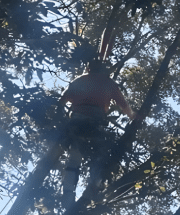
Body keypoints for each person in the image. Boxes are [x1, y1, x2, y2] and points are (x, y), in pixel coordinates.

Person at [58, 61, 138, 204]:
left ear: (88, 68)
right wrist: (133, 116)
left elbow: (61, 101)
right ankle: (94, 189)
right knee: (98, 157)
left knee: (74, 158)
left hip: (77, 121)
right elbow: (124, 105)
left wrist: (61, 121)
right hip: (96, 121)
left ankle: (68, 192)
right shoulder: (108, 83)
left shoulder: (79, 80)